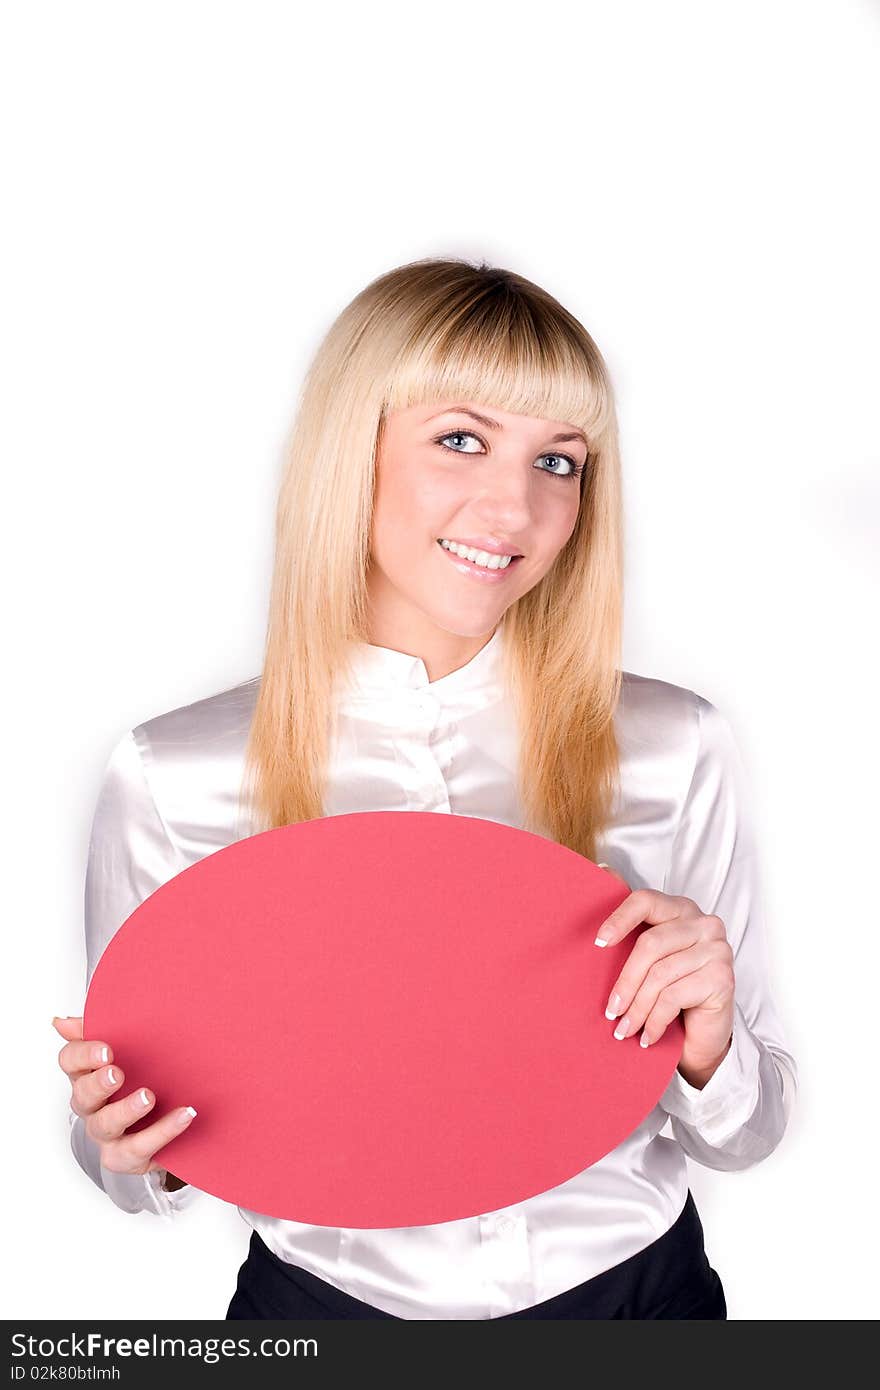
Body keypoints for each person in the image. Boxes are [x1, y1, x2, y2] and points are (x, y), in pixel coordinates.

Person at [54, 257, 798, 1320]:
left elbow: (748, 1129)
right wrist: (132, 1146)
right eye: (460, 439)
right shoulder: (174, 774)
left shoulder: (672, 744)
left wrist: (712, 1039)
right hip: (323, 1313)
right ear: (348, 451)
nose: (517, 506)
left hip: (638, 1297)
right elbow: (134, 1173)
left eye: (559, 460)